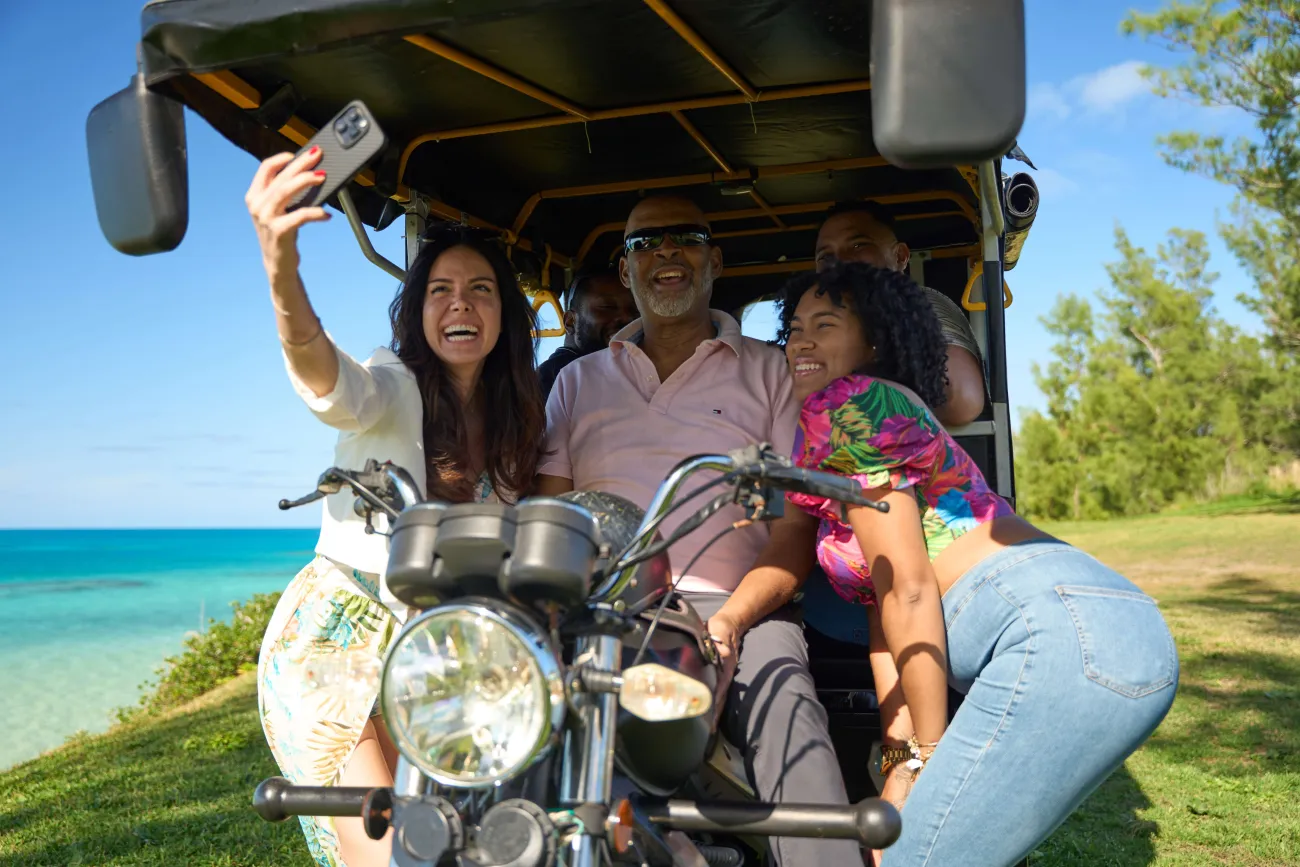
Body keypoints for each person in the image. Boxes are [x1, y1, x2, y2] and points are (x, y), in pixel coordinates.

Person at [776, 262, 1178, 866]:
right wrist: (901, 763)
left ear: (875, 340)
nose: (801, 340)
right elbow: (888, 617)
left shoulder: (847, 403)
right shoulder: (886, 410)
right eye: (795, 326)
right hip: (1099, 619)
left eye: (825, 323)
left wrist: (930, 756)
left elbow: (911, 591)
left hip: (1050, 629)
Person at [536, 195, 863, 867]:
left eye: (684, 240)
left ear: (714, 261)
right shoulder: (574, 382)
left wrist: (732, 621)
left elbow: (792, 533)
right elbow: (551, 525)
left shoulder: (772, 369)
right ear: (625, 274)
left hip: (741, 601)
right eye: (643, 245)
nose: (664, 255)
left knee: (786, 704)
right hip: (611, 611)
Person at [245, 146, 546, 867]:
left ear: (505, 313)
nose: (460, 304)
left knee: (463, 842)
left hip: (431, 662)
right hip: (332, 647)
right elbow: (331, 380)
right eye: (440, 290)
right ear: (418, 311)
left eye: (480, 289)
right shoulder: (393, 382)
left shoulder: (518, 422)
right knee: (386, 856)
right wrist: (281, 268)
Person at [814, 201, 987, 427]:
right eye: (826, 257)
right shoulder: (813, 321)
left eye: (858, 246)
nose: (839, 263)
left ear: (900, 256)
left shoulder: (924, 305)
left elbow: (961, 401)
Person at [536, 261, 638, 400]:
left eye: (635, 310)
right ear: (570, 322)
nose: (627, 317)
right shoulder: (550, 383)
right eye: (607, 307)